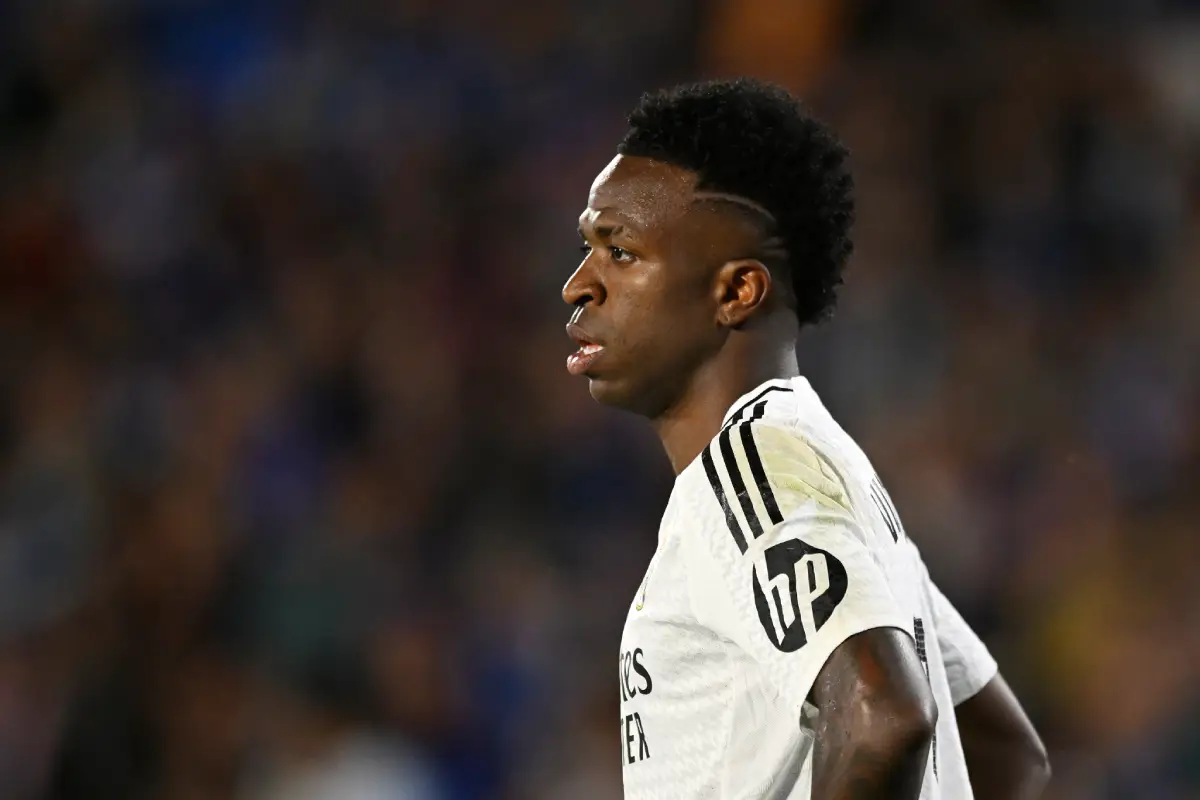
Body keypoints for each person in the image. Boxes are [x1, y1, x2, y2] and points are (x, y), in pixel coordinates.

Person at [561, 78, 1051, 800]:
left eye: (621, 252)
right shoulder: (834, 486)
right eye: (588, 247)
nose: (579, 284)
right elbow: (1004, 752)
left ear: (737, 292)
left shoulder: (750, 469)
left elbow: (885, 716)